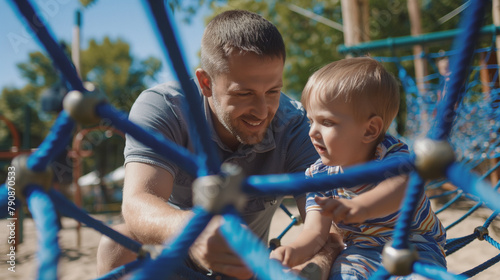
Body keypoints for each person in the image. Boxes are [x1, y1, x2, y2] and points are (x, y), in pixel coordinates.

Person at [96, 9, 341, 279]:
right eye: (244, 93)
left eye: (273, 91)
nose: (262, 111)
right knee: (116, 244)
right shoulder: (165, 108)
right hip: (177, 261)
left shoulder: (294, 124)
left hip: (249, 269)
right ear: (205, 83)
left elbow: (327, 225)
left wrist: (313, 264)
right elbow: (137, 202)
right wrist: (195, 230)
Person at [270, 57, 447, 279]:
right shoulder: (319, 176)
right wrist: (293, 251)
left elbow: (401, 187)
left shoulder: (391, 154)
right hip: (361, 250)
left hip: (415, 245)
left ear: (369, 130)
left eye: (326, 122)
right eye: (310, 121)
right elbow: (315, 232)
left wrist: (361, 207)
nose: (312, 132)